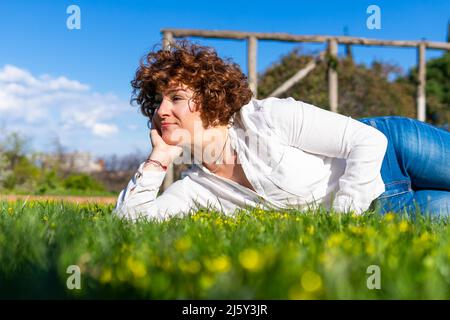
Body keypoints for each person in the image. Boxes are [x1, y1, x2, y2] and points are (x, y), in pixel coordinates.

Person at [114, 40, 450, 221]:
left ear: (211, 97)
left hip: (394, 151)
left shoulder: (266, 117)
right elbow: (131, 221)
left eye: (176, 98)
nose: (161, 111)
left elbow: (368, 140)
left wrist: (344, 219)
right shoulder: (196, 188)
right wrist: (158, 161)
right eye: (158, 101)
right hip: (387, 208)